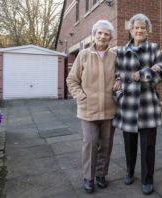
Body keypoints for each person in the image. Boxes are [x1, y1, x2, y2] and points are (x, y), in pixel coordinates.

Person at [112, 13, 162, 195]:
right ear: (130, 30)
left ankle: (147, 179)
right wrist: (120, 95)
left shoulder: (153, 49)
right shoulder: (120, 51)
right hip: (127, 104)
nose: (139, 30)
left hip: (147, 105)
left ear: (147, 30)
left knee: (148, 146)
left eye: (143, 28)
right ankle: (129, 171)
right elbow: (116, 79)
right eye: (136, 27)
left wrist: (142, 74)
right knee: (129, 144)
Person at [66, 20, 117, 194]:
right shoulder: (83, 55)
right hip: (88, 110)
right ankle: (88, 177)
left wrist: (119, 82)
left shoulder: (115, 56)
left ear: (110, 37)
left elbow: (120, 76)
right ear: (94, 34)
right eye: (100, 33)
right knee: (90, 143)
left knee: (106, 145)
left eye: (106, 34)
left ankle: (101, 174)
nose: (103, 36)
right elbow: (72, 80)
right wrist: (81, 97)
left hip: (109, 109)